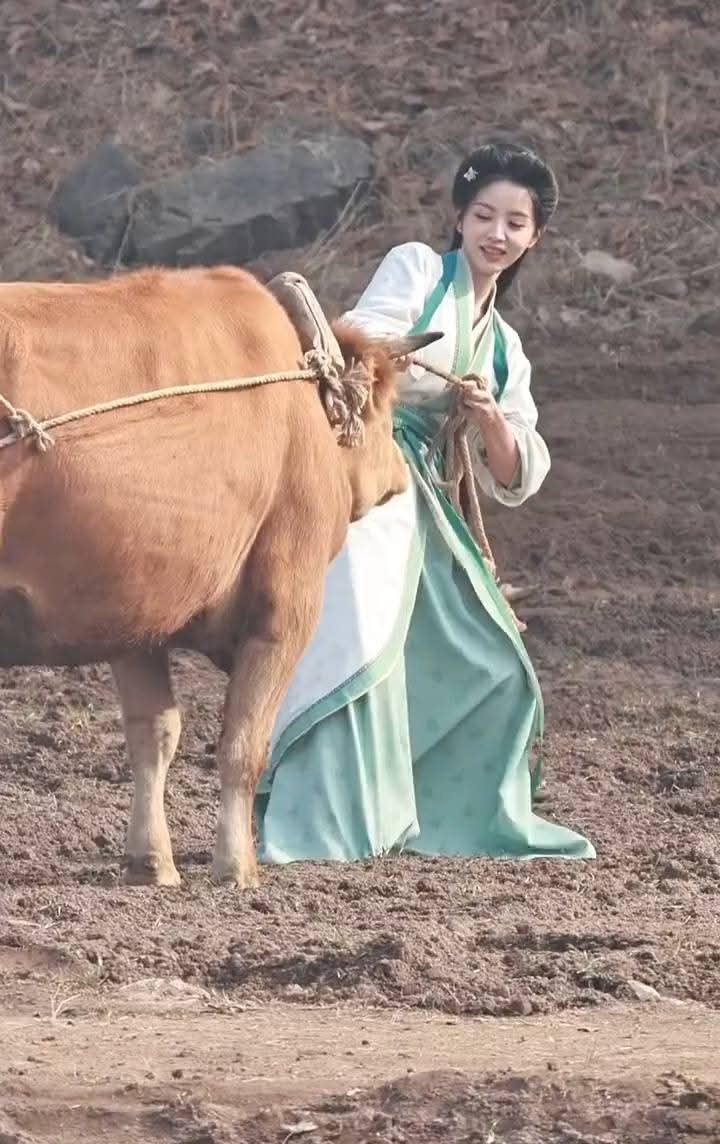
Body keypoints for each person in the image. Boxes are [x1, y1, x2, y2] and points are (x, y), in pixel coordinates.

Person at [255, 139, 596, 863]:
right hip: (371, 471)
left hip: (431, 498)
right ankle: (326, 824)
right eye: (484, 216)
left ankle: (443, 819)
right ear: (460, 218)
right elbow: (365, 332)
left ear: (535, 236)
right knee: (358, 638)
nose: (497, 234)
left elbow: (517, 472)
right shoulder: (417, 268)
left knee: (496, 661)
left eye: (515, 223)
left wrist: (490, 420)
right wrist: (399, 354)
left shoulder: (503, 346)